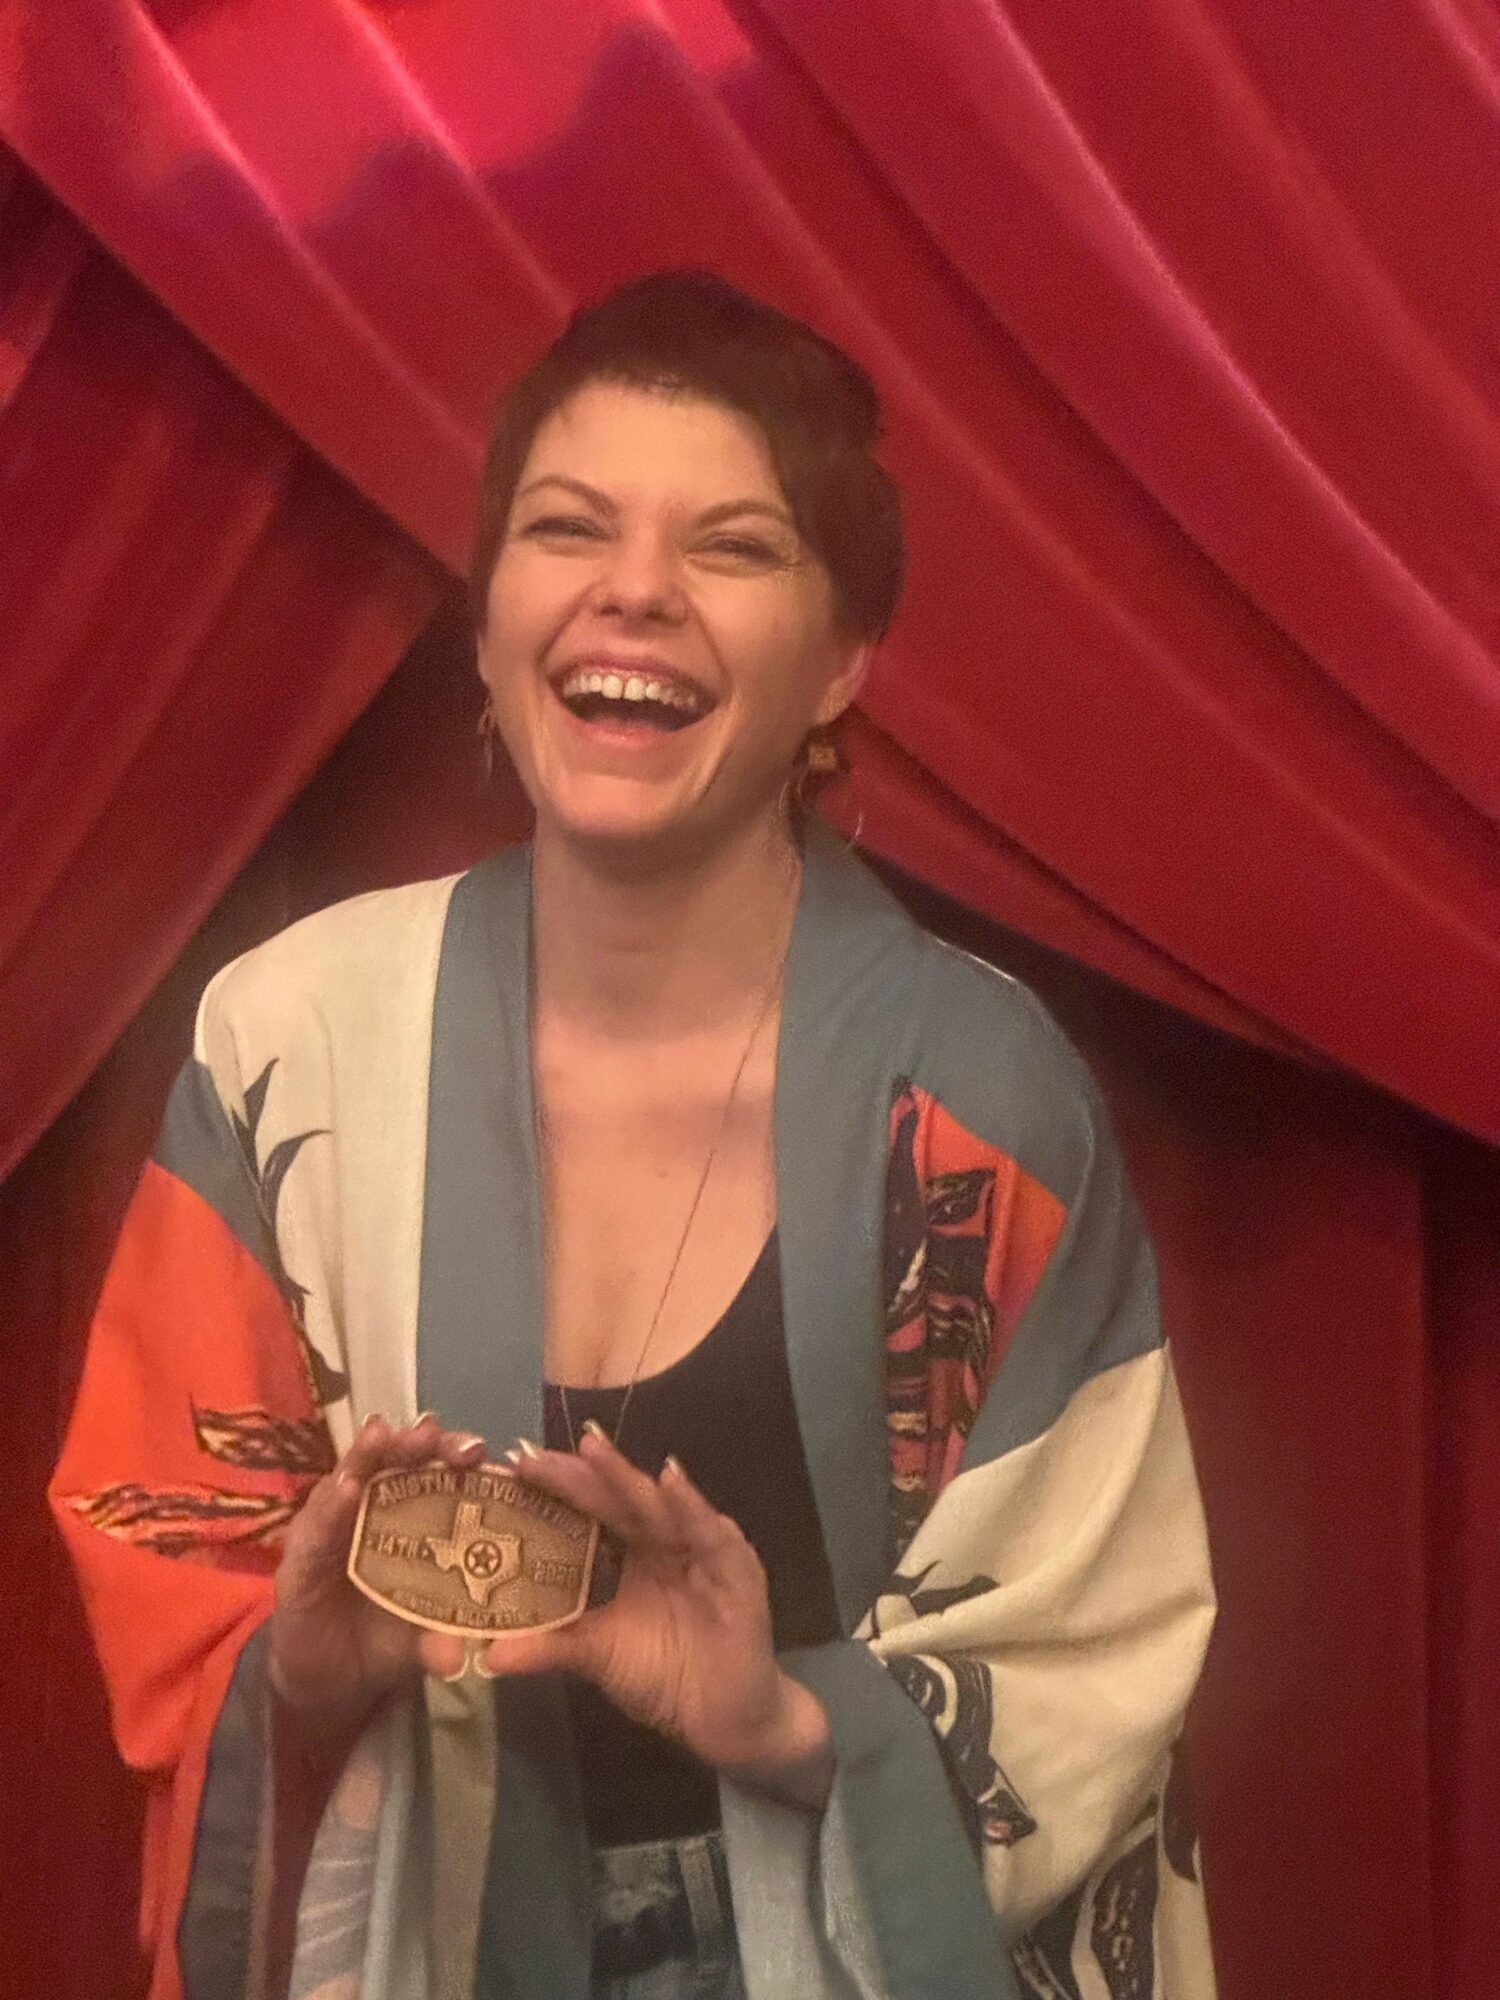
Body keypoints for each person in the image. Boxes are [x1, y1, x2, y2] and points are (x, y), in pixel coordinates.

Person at [51, 270, 1217, 2000]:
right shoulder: (283, 1048)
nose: (636, 592)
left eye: (734, 548)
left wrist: (786, 1713)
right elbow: (170, 1557)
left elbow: (1095, 1649)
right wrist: (304, 1669)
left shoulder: (976, 1104)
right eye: (567, 526)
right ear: (487, 612)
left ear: (842, 662)